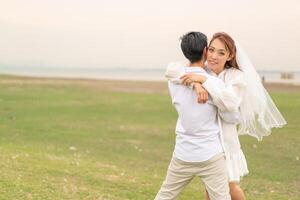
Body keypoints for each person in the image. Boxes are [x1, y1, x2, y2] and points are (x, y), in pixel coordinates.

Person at [167, 32, 287, 200]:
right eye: (211, 50)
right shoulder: (204, 69)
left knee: (230, 189)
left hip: (225, 143)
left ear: (230, 55)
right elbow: (172, 71)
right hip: (207, 144)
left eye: (221, 53)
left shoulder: (236, 76)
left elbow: (231, 104)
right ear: (205, 50)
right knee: (214, 190)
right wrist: (196, 84)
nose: (214, 56)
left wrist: (204, 81)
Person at [154, 32, 233, 200]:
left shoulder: (174, 77)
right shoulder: (214, 82)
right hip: (211, 154)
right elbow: (231, 108)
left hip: (183, 153)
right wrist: (198, 84)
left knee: (165, 195)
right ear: (206, 51)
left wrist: (196, 82)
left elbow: (173, 71)